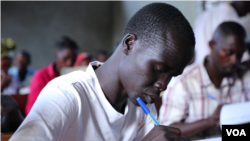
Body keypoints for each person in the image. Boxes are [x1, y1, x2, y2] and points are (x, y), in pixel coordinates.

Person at [10, 3, 195, 141]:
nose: (163, 84)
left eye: (172, 76)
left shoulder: (142, 106)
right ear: (129, 44)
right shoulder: (67, 95)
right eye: (160, 69)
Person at [159, 22, 248, 140]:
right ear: (212, 45)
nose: (234, 61)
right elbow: (166, 132)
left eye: (240, 54)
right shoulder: (184, 82)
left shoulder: (245, 77)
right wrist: (209, 121)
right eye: (229, 53)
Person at [25, 36, 79, 115]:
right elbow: (32, 109)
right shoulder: (41, 76)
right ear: (57, 54)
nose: (69, 63)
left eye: (74, 60)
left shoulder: (75, 76)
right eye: (65, 58)